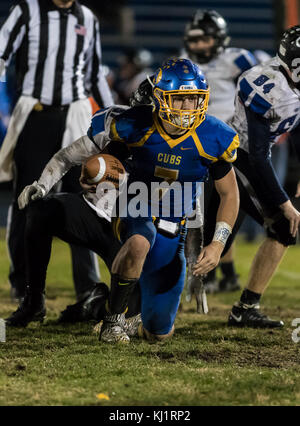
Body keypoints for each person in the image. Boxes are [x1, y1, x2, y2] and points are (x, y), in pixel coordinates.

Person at [6, 58, 240, 343]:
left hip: (168, 235)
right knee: (136, 235)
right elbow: (82, 160)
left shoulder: (214, 136)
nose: (188, 108)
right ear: (159, 99)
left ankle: (105, 308)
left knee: (158, 333)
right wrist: (84, 179)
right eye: (180, 100)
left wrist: (215, 245)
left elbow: (226, 195)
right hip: (127, 216)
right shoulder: (130, 126)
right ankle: (96, 318)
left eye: (193, 99)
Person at [0, 0, 114, 302]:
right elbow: (1, 54)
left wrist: (114, 114)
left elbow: (94, 75)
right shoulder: (27, 9)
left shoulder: (87, 17)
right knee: (27, 198)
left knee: (87, 198)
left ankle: (88, 286)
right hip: (35, 115)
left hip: (76, 115)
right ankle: (23, 283)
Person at [220, 25, 300, 327]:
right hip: (232, 158)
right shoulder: (268, 87)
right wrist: (283, 201)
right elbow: (257, 155)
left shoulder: (290, 84)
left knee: (282, 228)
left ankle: (245, 307)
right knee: (209, 240)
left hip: (250, 158)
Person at [182, 9, 259, 295]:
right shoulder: (185, 62)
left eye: (205, 39)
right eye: (195, 40)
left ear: (219, 38)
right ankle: (216, 273)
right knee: (202, 211)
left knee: (229, 209)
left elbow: (256, 96)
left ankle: (221, 272)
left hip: (233, 147)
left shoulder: (236, 59)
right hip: (197, 148)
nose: (199, 45)